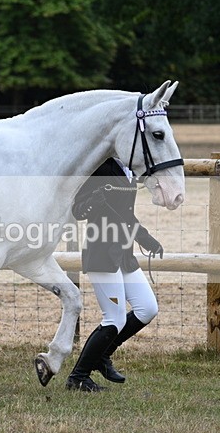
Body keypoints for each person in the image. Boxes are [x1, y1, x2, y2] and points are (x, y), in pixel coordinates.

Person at [66, 157, 164, 392]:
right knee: (114, 318)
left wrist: (144, 237)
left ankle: (103, 355)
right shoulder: (99, 166)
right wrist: (93, 202)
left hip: (124, 253)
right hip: (101, 253)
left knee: (147, 308)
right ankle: (78, 377)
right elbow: (78, 209)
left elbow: (126, 216)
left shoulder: (128, 170)